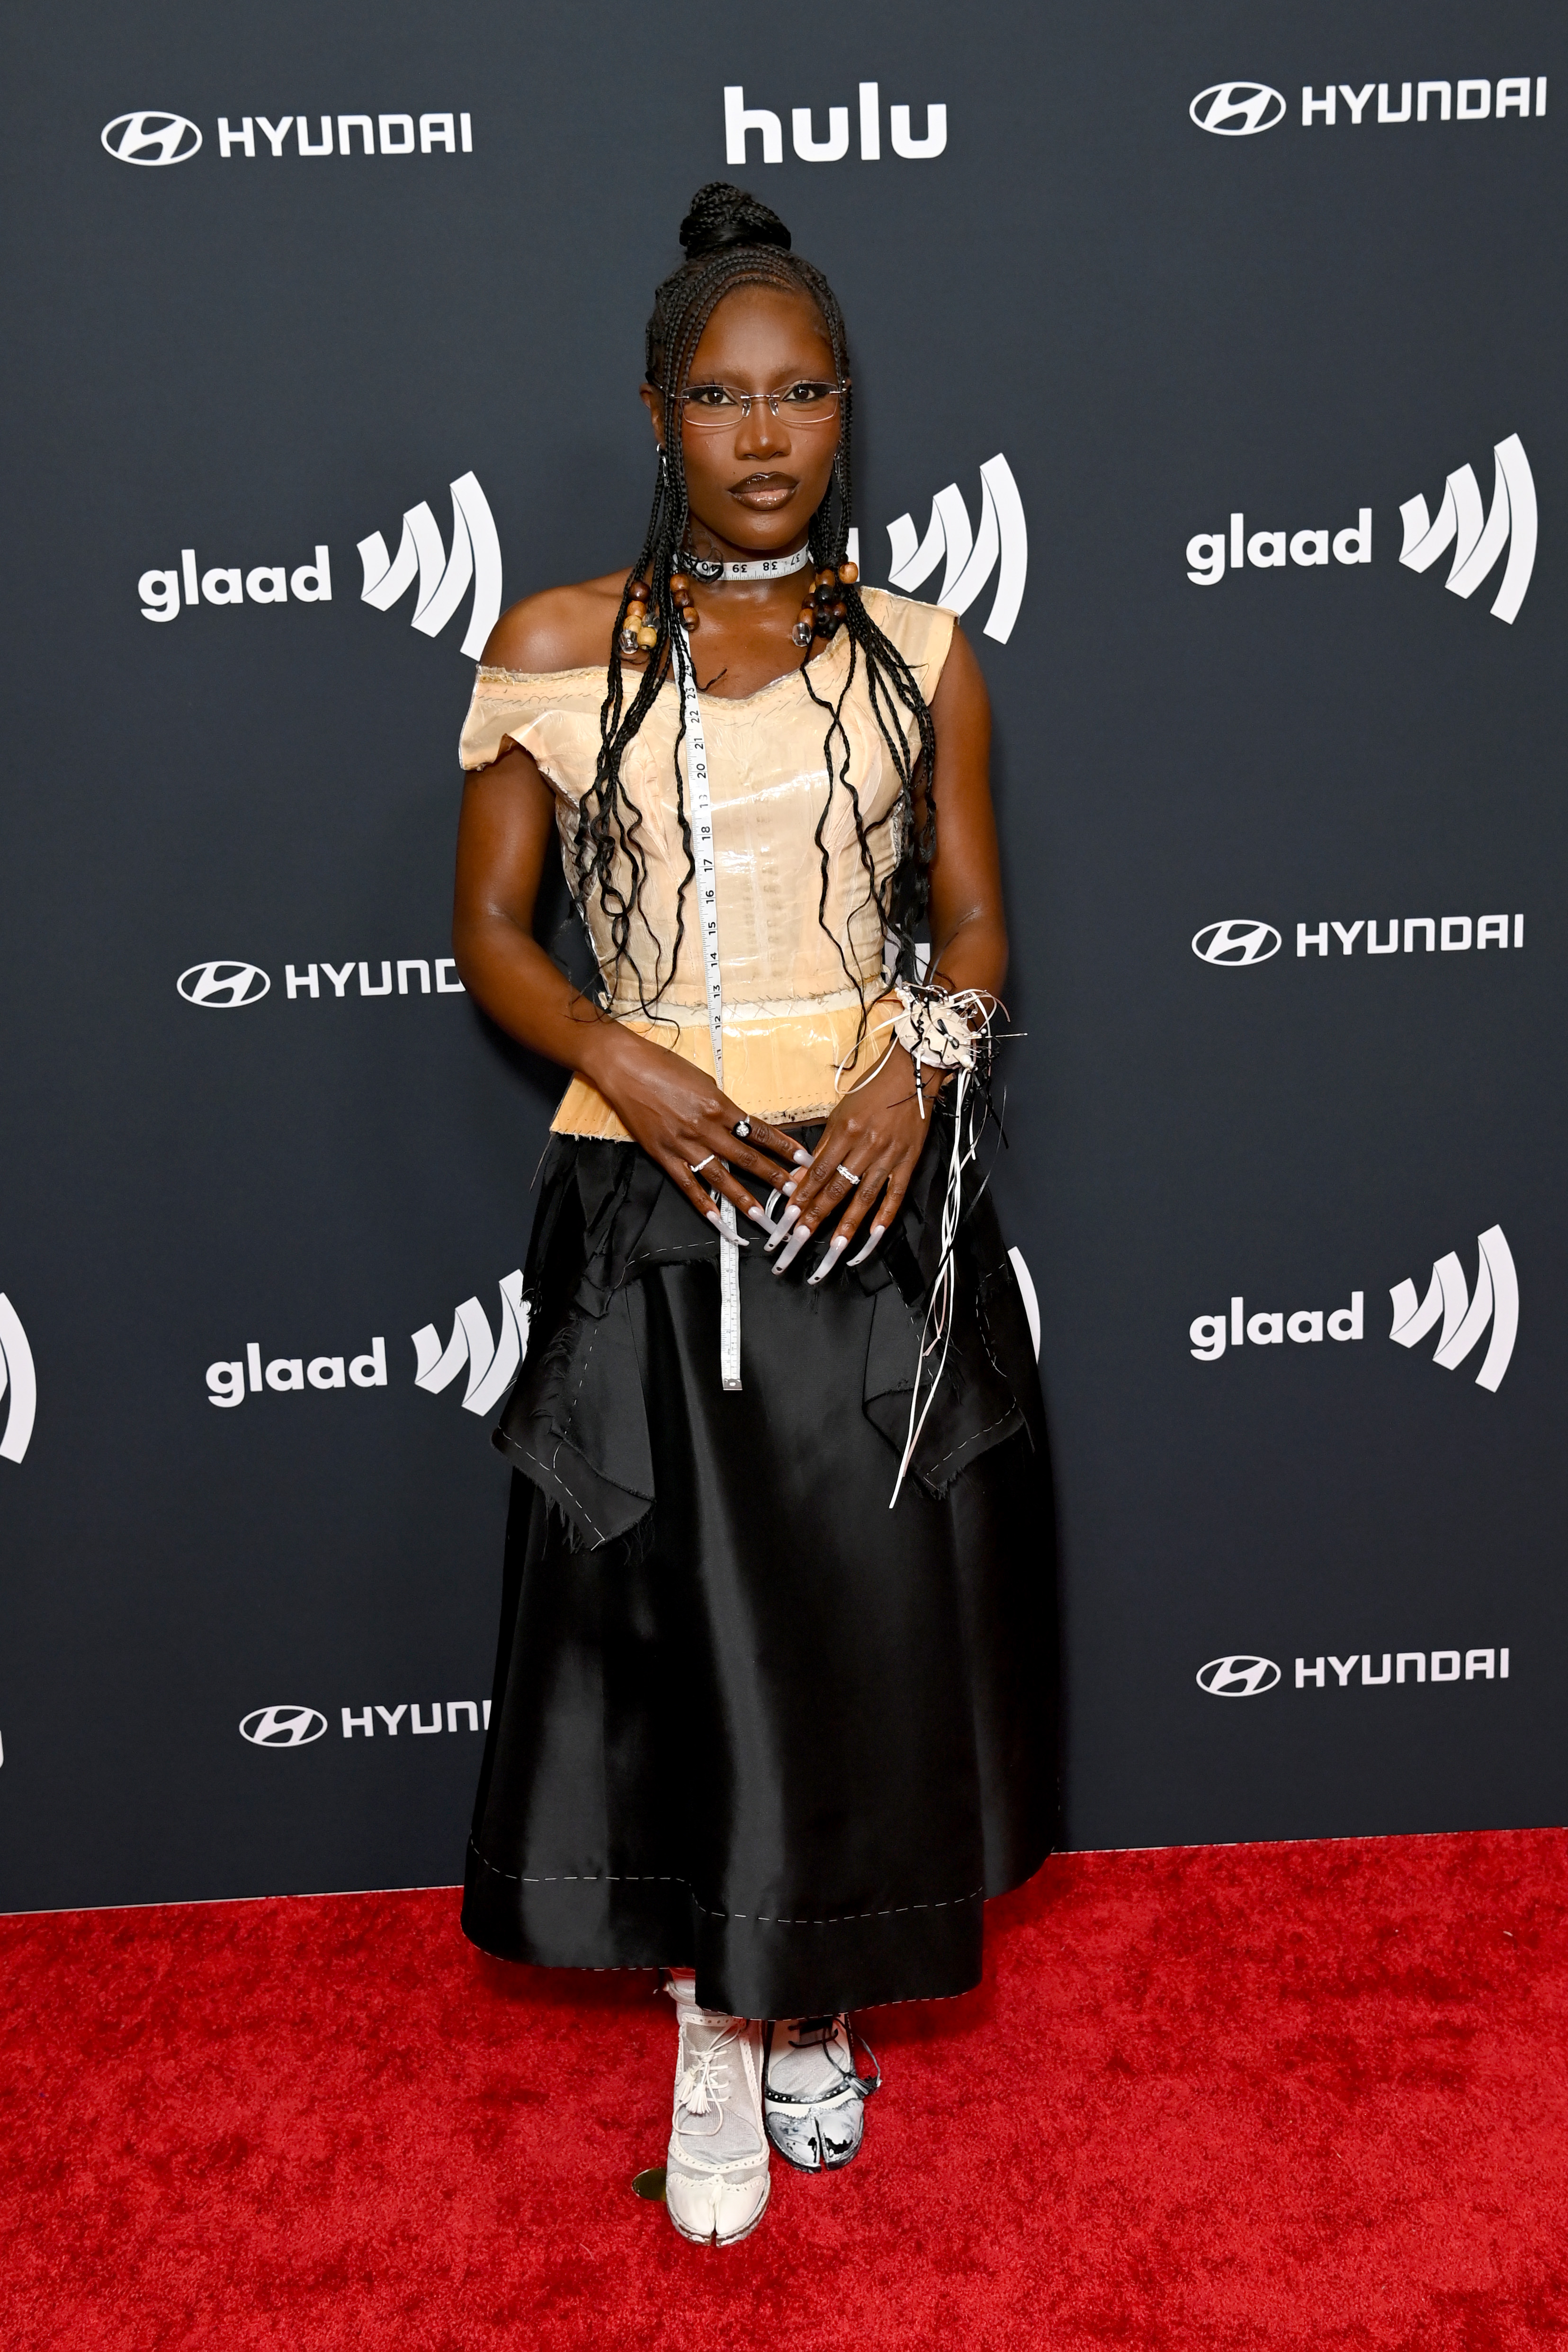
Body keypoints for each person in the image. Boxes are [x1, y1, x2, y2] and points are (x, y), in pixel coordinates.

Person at [450, 181, 1056, 2248]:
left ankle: (820, 2005)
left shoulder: (922, 657)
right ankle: (716, 2016)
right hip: (649, 1208)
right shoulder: (550, 649)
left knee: (861, 1637)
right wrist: (624, 1060)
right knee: (683, 1639)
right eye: (722, 395)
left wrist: (916, 1061)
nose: (767, 431)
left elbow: (973, 923)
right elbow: (492, 941)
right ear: (656, 414)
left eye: (802, 391)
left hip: (866, 1205)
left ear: (848, 409)